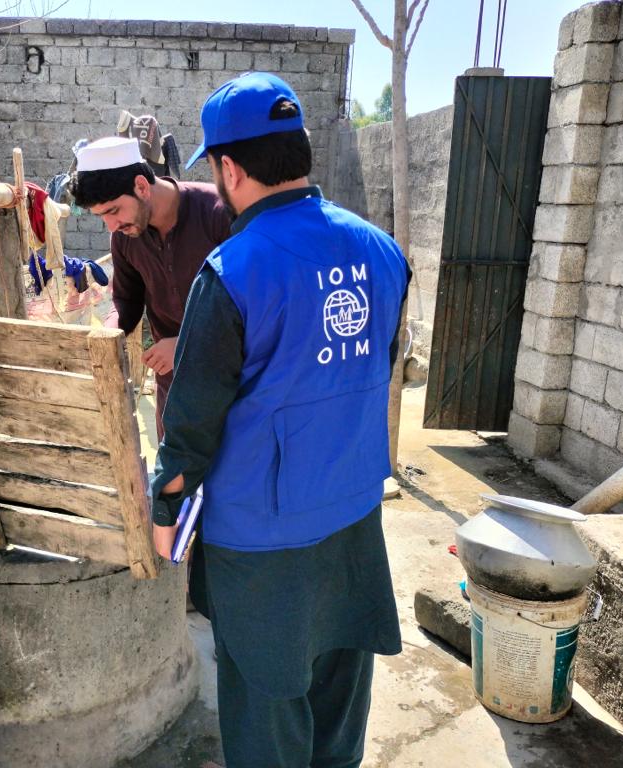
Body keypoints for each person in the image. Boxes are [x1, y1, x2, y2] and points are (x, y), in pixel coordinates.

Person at [149, 73, 411, 768]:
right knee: (337, 707)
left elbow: (193, 421)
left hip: (261, 546)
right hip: (354, 521)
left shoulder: (231, 270)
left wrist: (165, 502)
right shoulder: (383, 252)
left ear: (228, 168)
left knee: (268, 719)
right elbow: (375, 367)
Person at [69, 136, 232, 440]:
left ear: (142, 187)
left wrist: (184, 346)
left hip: (232, 384)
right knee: (175, 481)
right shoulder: (125, 237)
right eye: (102, 216)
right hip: (174, 389)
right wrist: (109, 331)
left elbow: (253, 309)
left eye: (114, 211)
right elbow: (126, 301)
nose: (111, 226)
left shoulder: (219, 214)